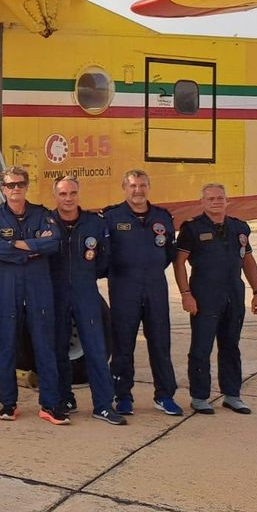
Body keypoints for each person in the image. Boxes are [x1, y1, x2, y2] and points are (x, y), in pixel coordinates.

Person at [0, 166, 67, 424]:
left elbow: (54, 243)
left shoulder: (41, 214)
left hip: (39, 285)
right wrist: (33, 248)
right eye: (10, 185)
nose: (15, 189)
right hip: (8, 287)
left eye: (19, 184)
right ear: (3, 188)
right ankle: (8, 404)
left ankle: (50, 404)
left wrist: (18, 245)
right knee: (6, 344)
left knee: (45, 344)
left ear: (26, 186)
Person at [173, 184, 257, 414]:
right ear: (202, 202)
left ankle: (232, 395)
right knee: (201, 348)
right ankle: (199, 396)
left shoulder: (239, 228)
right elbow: (179, 262)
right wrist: (186, 294)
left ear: (227, 201)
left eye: (219, 198)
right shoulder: (192, 229)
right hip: (204, 296)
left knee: (231, 346)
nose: (215, 202)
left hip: (233, 295)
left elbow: (248, 261)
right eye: (210, 198)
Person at [103, 170, 182, 416]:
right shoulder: (111, 217)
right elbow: (105, 255)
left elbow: (169, 253)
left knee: (160, 342)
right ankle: (123, 395)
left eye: (142, 185)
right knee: (123, 344)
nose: (138, 190)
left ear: (149, 187)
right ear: (124, 188)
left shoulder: (162, 217)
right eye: (133, 186)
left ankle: (164, 395)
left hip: (155, 287)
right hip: (124, 288)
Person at [49, 177, 124, 425]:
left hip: (85, 291)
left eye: (72, 193)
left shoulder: (94, 222)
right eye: (62, 194)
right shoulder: (46, 222)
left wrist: (85, 276)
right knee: (58, 348)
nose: (68, 198)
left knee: (95, 349)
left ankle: (102, 405)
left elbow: (104, 259)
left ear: (78, 195)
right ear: (56, 196)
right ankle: (64, 398)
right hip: (56, 292)